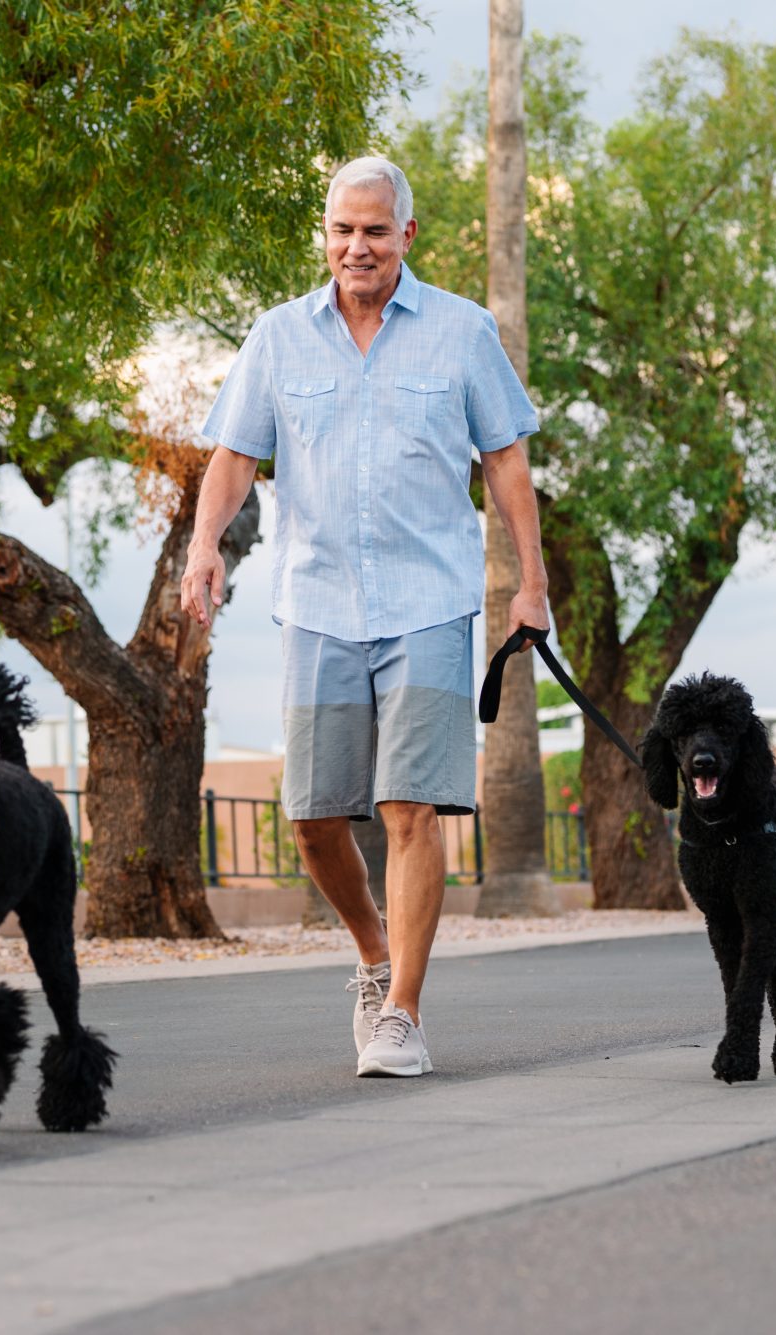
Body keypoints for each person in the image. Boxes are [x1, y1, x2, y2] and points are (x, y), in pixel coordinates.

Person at [183, 157, 548, 1078]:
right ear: (326, 234)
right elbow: (233, 457)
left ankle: (403, 1014)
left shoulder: (464, 333)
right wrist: (203, 547)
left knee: (407, 806)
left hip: (430, 601)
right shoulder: (278, 338)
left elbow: (505, 463)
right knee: (311, 816)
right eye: (343, 230)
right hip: (316, 602)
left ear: (407, 237)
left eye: (376, 231)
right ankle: (373, 955)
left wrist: (531, 581)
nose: (358, 247)